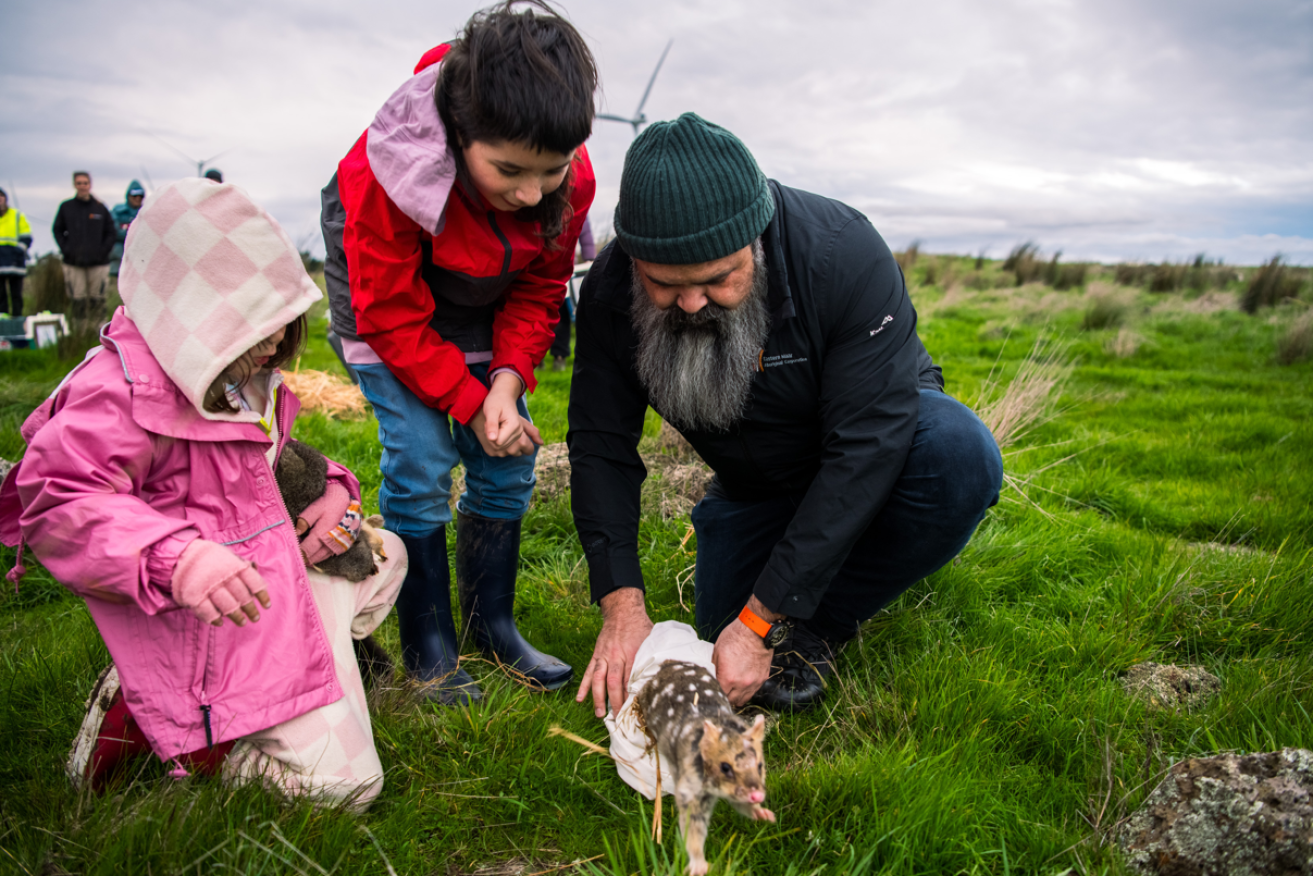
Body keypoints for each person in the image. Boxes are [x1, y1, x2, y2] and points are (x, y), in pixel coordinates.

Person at [568, 114, 1004, 715]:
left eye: (719, 278)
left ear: (757, 238)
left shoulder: (842, 254)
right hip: (753, 486)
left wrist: (762, 622)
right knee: (718, 651)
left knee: (960, 456)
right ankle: (774, 565)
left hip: (869, 451)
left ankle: (819, 619)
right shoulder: (610, 291)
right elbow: (600, 446)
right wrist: (622, 605)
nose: (692, 303)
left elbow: (865, 448)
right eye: (664, 284)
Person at [0, 178, 406, 808]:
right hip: (205, 618)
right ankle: (202, 742)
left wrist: (332, 489)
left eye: (280, 317)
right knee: (347, 787)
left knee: (390, 555)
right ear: (191, 311)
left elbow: (267, 466)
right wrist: (178, 560)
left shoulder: (241, 374)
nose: (276, 340)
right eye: (254, 323)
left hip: (264, 576)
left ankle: (305, 687)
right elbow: (60, 501)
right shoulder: (120, 392)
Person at [320, 0, 597, 703]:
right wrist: (467, 402)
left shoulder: (567, 175)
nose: (533, 191)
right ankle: (428, 643)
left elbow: (538, 289)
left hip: (485, 295)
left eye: (552, 169)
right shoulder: (384, 172)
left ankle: (491, 623)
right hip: (391, 308)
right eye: (508, 170)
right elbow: (391, 313)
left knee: (510, 452)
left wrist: (503, 386)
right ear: (457, 134)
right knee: (419, 457)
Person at [52, 171, 117, 329]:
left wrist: (102, 251)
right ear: (75, 185)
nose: (82, 186)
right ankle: (80, 334)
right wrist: (67, 250)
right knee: (78, 301)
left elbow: (111, 232)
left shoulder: (100, 207)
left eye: (85, 183)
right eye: (79, 183)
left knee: (98, 300)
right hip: (73, 264)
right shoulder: (66, 207)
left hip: (99, 264)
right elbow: (57, 230)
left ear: (90, 184)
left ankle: (99, 333)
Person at [547, 215, 595, 371]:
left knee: (561, 314)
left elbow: (585, 231)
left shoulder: (574, 202)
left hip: (566, 269)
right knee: (539, 313)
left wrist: (589, 257)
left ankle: (559, 356)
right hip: (540, 266)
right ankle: (535, 357)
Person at [0, 188, 33, 316]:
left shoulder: (17, 215)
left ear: (5, 199)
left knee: (16, 295)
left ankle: (18, 321)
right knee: (1, 296)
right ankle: (3, 324)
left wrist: (17, 252)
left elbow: (26, 237)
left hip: (15, 263)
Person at [109, 180, 146, 278]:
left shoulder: (147, 212)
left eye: (140, 196)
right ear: (128, 196)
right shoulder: (118, 211)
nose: (137, 198)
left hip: (140, 262)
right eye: (134, 196)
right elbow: (114, 232)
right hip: (118, 261)